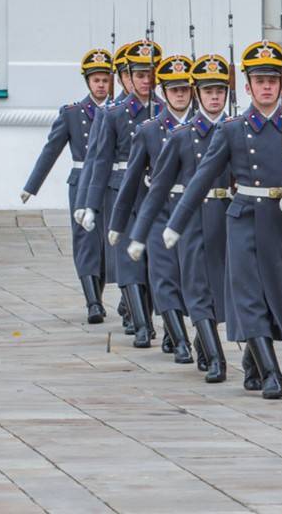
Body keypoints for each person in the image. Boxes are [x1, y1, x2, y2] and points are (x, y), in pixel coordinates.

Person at [164, 39, 282, 399]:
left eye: (272, 80)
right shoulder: (233, 130)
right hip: (243, 218)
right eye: (259, 80)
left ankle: (253, 361)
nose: (266, 86)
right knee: (249, 295)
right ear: (248, 85)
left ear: (281, 84)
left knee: (276, 298)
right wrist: (176, 223)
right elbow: (203, 177)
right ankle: (272, 373)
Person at [125, 54, 234, 382]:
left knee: (217, 285)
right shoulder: (157, 130)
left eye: (184, 90)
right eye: (173, 91)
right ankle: (193, 344)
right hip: (171, 211)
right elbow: (140, 178)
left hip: (221, 212)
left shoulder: (231, 128)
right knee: (174, 278)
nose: (180, 96)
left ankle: (203, 339)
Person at [81, 39, 164, 348]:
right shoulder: (113, 114)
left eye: (150, 74)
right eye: (139, 74)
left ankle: (150, 314)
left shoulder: (167, 109)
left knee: (155, 260)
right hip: (122, 193)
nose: (145, 81)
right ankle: (141, 324)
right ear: (127, 75)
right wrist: (89, 203)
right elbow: (100, 160)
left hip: (156, 193)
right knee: (129, 262)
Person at [21, 48, 113, 324]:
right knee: (85, 241)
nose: (100, 85)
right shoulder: (73, 113)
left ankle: (98, 291)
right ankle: (93, 302)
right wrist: (31, 186)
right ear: (88, 82)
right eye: (96, 80)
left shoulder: (119, 111)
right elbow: (51, 150)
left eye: (105, 80)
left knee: (110, 242)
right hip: (83, 182)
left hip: (112, 182)